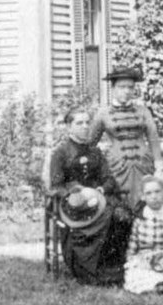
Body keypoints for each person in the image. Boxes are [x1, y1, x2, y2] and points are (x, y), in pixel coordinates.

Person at [47, 107, 132, 285]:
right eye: (79, 123)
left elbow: (109, 179)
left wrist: (100, 189)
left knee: (121, 215)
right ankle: (89, 269)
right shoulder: (60, 153)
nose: (85, 127)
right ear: (68, 127)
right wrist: (75, 194)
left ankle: (114, 265)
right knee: (104, 216)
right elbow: (56, 186)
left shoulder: (95, 152)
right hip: (74, 205)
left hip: (100, 200)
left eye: (87, 122)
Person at [88, 66, 163, 207]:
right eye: (122, 87)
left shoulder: (143, 111)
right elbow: (90, 143)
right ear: (113, 88)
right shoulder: (103, 113)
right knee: (119, 207)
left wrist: (159, 167)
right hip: (117, 166)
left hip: (143, 164)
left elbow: (153, 138)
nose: (127, 91)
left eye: (130, 87)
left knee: (146, 203)